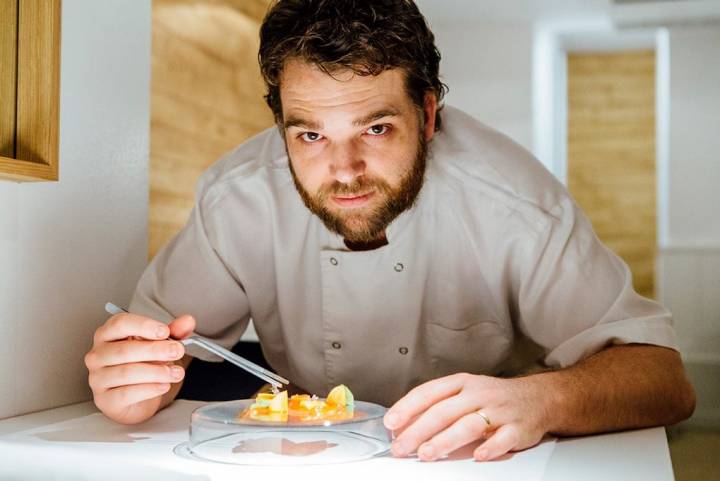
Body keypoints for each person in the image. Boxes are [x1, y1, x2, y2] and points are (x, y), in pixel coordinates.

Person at [84, 0, 695, 462]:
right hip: (312, 459)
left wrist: (542, 400)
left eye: (375, 129)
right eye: (310, 134)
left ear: (428, 115)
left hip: (477, 462)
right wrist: (133, 385)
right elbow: (155, 357)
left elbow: (665, 382)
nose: (343, 170)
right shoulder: (237, 201)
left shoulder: (516, 207)